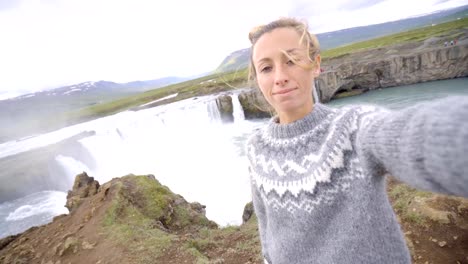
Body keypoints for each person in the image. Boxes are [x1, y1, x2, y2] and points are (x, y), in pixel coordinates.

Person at [245, 17, 468, 264]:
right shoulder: (256, 148)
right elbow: (267, 228)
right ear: (257, 79)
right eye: (266, 68)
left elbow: (412, 136)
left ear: (316, 64)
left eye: (292, 60)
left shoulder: (354, 127)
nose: (280, 77)